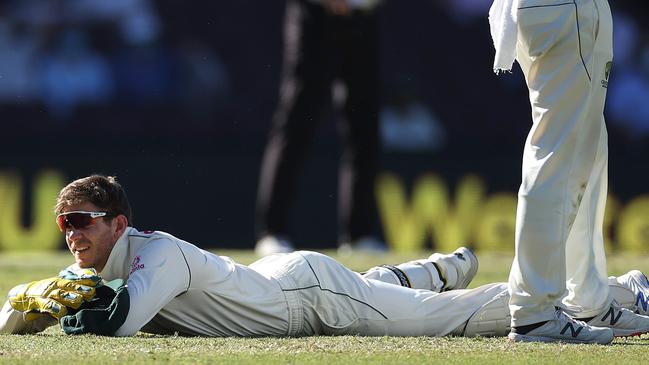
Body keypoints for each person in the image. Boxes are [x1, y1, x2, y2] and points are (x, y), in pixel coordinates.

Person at [2, 175, 649, 342]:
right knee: (394, 296)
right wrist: (32, 305)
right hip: (289, 286)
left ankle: (615, 292)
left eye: (81, 222)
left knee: (439, 319)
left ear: (119, 222)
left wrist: (70, 304)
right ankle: (424, 269)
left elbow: (123, 321)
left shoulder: (157, 254)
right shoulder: (94, 270)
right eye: (65, 224)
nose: (71, 235)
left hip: (307, 297)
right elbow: (16, 312)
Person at [488, 0, 649, 343]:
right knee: (557, 156)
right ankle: (533, 312)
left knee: (586, 154)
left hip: (570, 9)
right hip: (565, 9)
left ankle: (588, 299)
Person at [254, 0, 384, 255]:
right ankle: (272, 231)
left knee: (364, 130)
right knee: (297, 125)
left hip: (364, 19)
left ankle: (358, 235)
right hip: (315, 16)